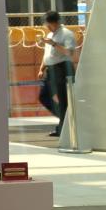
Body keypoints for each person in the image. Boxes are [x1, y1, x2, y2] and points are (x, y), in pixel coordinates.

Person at [36, 10, 78, 138]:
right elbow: (47, 54)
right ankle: (65, 119)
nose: (48, 27)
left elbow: (69, 53)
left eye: (50, 24)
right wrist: (42, 68)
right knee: (44, 96)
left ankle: (63, 127)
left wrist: (54, 44)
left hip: (62, 68)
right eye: (46, 25)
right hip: (51, 69)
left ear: (56, 22)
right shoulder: (49, 34)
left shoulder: (67, 34)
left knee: (63, 98)